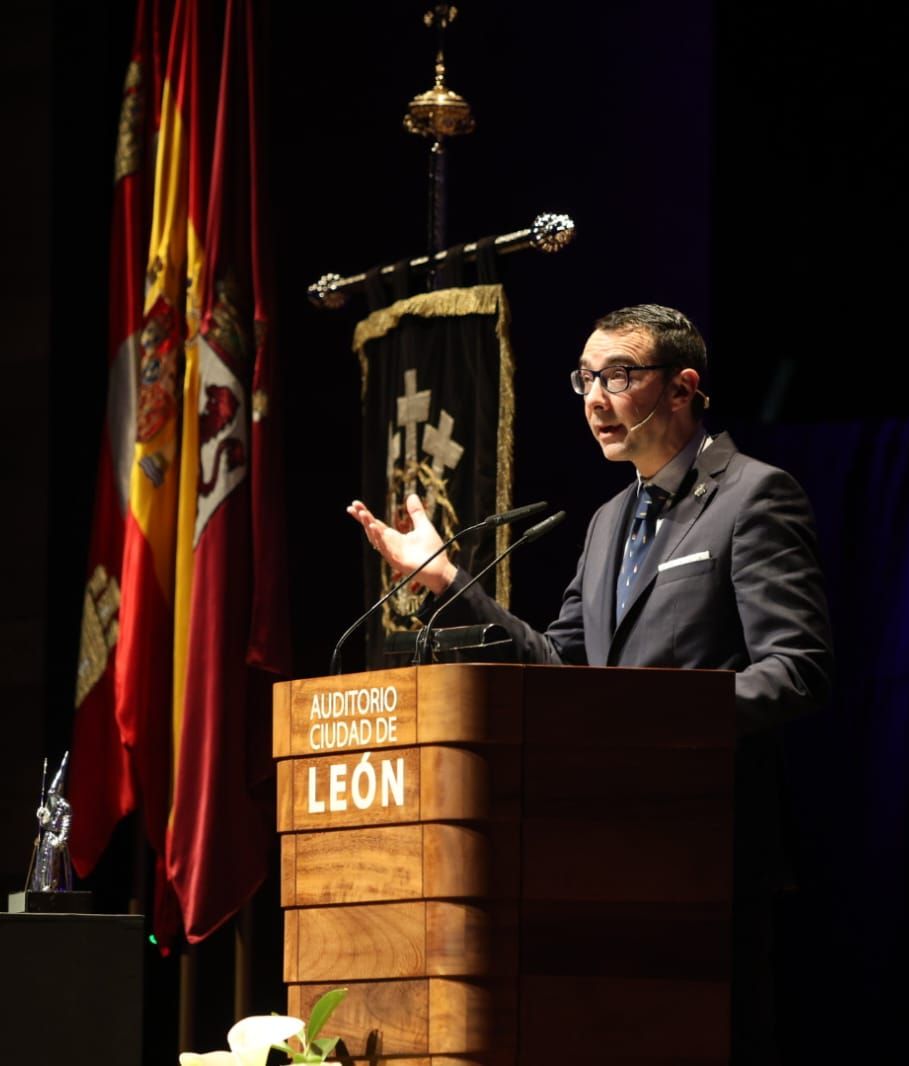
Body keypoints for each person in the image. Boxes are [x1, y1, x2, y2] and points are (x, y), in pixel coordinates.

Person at [346, 304, 833, 1065]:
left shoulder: (753, 496)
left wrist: (650, 722)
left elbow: (796, 669)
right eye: (585, 379)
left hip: (710, 851)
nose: (595, 399)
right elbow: (559, 666)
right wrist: (447, 582)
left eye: (619, 377)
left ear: (682, 388)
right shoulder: (608, 520)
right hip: (600, 849)